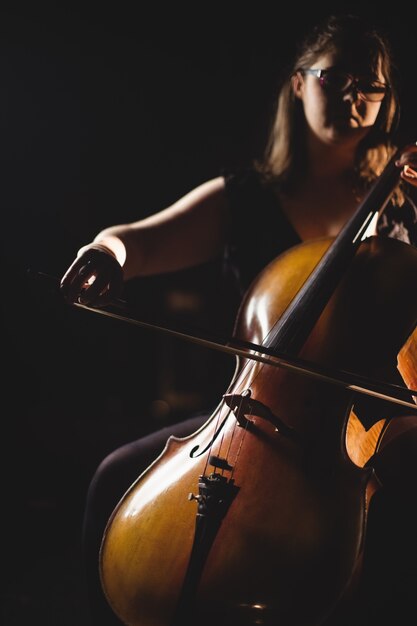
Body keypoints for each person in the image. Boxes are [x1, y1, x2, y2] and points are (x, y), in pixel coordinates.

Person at [60, 13, 417, 626]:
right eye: (336, 78)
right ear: (299, 84)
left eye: (370, 84)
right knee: (112, 479)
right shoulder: (245, 200)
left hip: (356, 442)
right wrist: (106, 253)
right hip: (245, 422)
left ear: (387, 104)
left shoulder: (403, 212)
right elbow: (137, 242)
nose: (354, 94)